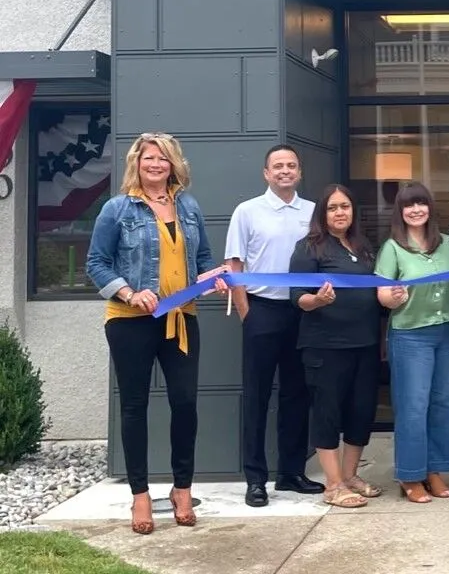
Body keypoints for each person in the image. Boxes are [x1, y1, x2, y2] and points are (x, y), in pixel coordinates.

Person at [85, 132, 229, 535]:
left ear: (173, 164)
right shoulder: (117, 208)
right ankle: (141, 496)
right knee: (134, 407)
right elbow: (96, 263)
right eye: (149, 158)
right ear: (137, 162)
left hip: (181, 318)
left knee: (185, 405)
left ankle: (182, 490)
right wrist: (130, 293)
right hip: (128, 321)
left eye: (162, 158)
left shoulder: (188, 205)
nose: (155, 165)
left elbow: (201, 258)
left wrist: (211, 277)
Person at [224, 144, 321, 507]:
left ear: (299, 172)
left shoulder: (313, 213)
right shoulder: (247, 211)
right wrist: (247, 311)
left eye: (291, 165)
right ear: (266, 173)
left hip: (303, 311)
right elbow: (234, 264)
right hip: (262, 310)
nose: (285, 171)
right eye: (278, 166)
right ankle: (255, 479)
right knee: (258, 395)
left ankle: (292, 473)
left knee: (298, 395)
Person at [289, 184, 384, 509]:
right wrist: (316, 300)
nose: (340, 212)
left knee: (361, 413)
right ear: (322, 214)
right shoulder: (309, 248)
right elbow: (296, 297)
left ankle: (350, 476)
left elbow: (374, 290)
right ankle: (333, 485)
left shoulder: (363, 245)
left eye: (345, 206)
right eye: (332, 208)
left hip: (366, 344)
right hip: (325, 347)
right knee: (328, 414)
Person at [375, 182, 449, 503]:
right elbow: (383, 295)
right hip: (409, 334)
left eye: (421, 204)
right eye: (409, 205)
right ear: (400, 212)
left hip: (446, 333)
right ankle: (410, 476)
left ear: (430, 207)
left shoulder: (448, 245)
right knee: (413, 406)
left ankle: (434, 470)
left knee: (446, 403)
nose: (416, 210)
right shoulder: (392, 248)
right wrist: (394, 297)